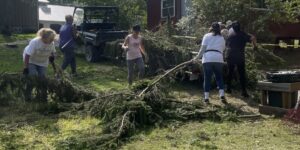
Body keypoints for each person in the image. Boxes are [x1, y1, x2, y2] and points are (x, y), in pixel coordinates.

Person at [193, 22, 227, 104]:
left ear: (211, 28)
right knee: (219, 77)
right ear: (219, 29)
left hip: (208, 58)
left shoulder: (206, 36)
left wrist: (196, 58)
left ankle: (206, 98)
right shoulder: (222, 38)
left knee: (207, 78)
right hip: (218, 58)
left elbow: (203, 49)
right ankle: (222, 95)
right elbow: (223, 49)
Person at [23, 28, 56, 101]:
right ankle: (27, 96)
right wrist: (26, 67)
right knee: (33, 76)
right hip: (31, 60)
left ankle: (43, 96)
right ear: (44, 37)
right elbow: (27, 55)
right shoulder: (35, 42)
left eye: (52, 39)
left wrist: (53, 57)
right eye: (50, 39)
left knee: (43, 79)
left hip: (43, 62)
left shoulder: (51, 43)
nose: (52, 41)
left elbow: (53, 52)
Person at [225, 21, 257, 97]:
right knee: (242, 74)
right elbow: (253, 38)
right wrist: (254, 46)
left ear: (232, 27)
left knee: (230, 72)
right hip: (240, 56)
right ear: (240, 27)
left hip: (230, 55)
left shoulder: (230, 34)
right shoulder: (243, 34)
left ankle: (228, 89)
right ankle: (244, 91)